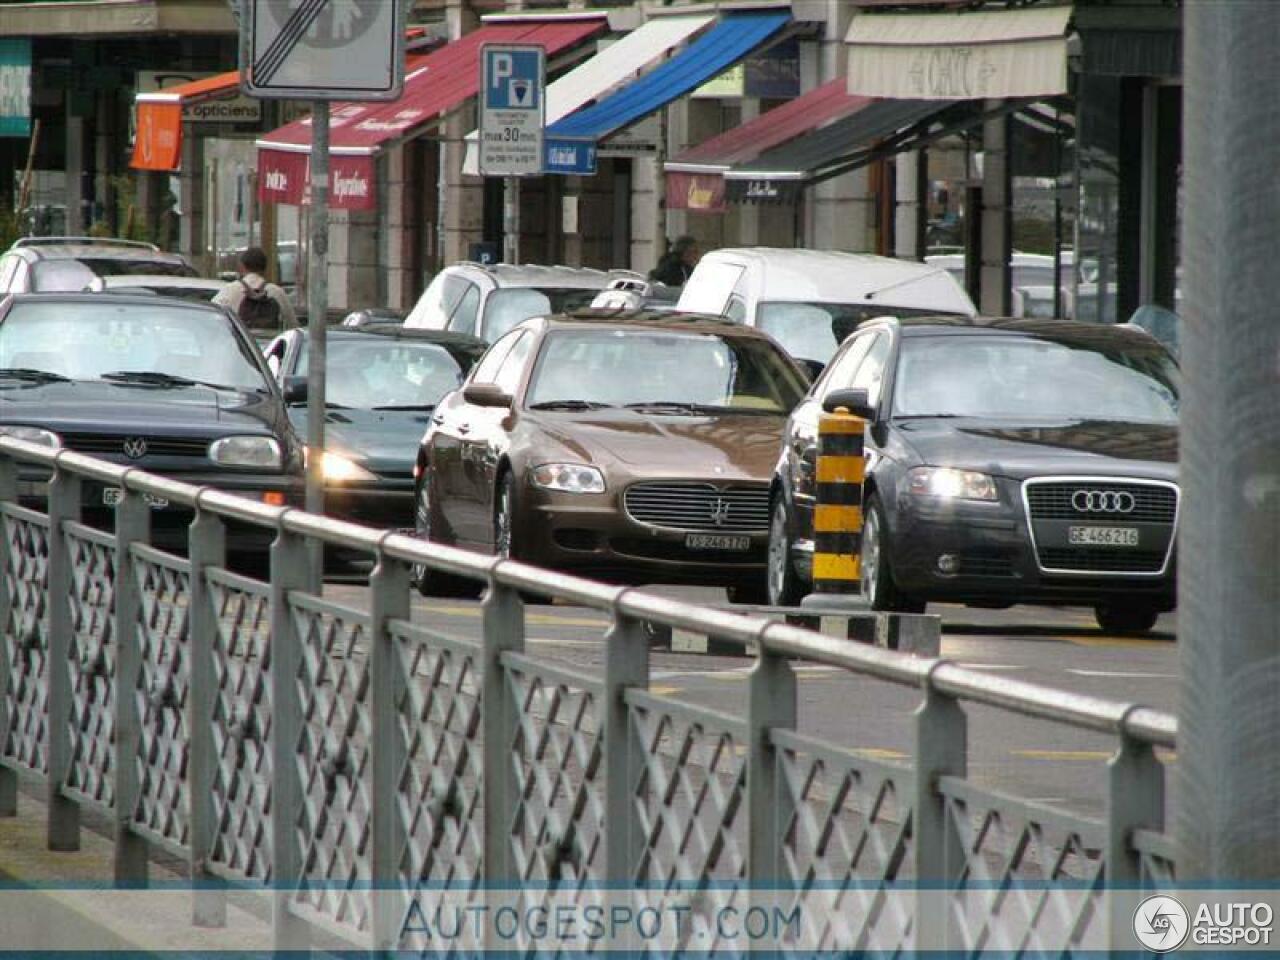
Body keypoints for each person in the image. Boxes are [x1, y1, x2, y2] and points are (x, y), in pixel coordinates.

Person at [213, 246, 297, 331]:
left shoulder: (229, 290)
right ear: (265, 268)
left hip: (240, 342)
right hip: (269, 342)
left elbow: (213, 319)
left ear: (242, 266)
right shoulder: (277, 292)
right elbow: (292, 325)